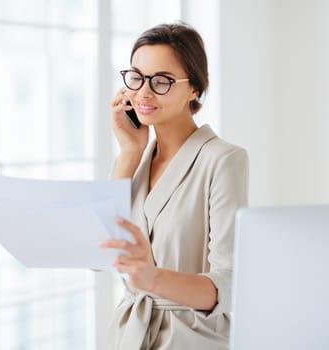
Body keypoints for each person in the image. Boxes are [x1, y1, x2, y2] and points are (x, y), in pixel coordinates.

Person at [99, 22, 249, 349]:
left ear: (194, 89)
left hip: (192, 338)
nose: (143, 93)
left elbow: (230, 284)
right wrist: (129, 151)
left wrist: (151, 277)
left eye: (162, 81)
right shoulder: (135, 160)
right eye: (136, 77)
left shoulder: (223, 160)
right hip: (129, 334)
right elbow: (97, 252)